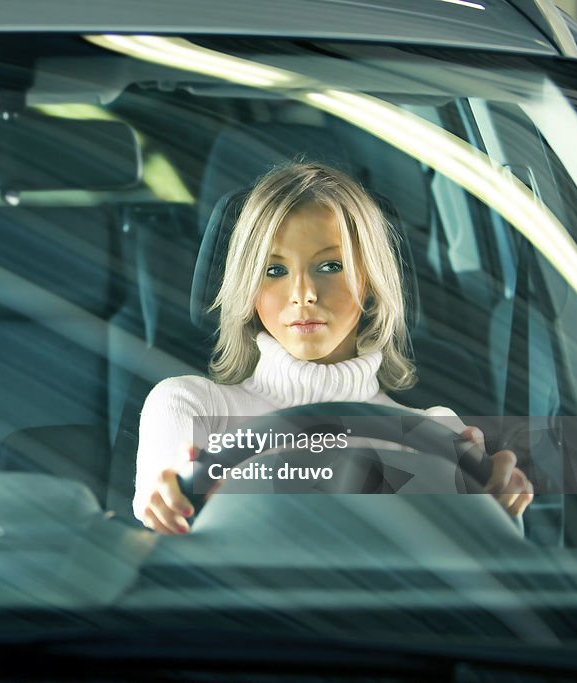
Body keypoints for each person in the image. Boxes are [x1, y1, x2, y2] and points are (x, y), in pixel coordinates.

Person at [134, 162, 534, 534]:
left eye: (330, 266)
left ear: (370, 281)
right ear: (249, 290)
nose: (303, 294)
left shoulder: (431, 429)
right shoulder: (189, 405)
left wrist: (495, 504)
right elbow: (163, 503)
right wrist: (168, 500)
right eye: (275, 271)